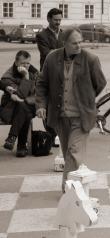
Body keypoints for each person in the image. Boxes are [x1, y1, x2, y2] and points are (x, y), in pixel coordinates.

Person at [36, 28, 107, 191]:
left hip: (82, 116)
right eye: (74, 43)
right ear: (64, 43)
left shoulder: (91, 59)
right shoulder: (52, 58)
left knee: (74, 152)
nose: (78, 46)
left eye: (80, 42)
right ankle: (76, 183)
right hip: (60, 116)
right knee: (71, 153)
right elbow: (42, 83)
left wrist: (87, 97)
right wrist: (40, 105)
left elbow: (100, 83)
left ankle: (67, 190)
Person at [0, 51, 39, 157]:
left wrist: (27, 76)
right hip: (10, 109)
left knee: (24, 106)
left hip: (30, 106)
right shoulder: (8, 76)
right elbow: (21, 94)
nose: (26, 66)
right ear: (16, 62)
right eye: (23, 63)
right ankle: (21, 147)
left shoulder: (34, 73)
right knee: (24, 109)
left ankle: (12, 138)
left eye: (28, 63)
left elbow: (38, 91)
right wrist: (26, 78)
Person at [36, 8, 64, 147]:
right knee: (49, 105)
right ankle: (51, 135)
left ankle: (59, 134)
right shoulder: (42, 35)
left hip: (63, 74)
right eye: (55, 20)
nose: (58, 23)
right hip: (48, 74)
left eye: (60, 20)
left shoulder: (64, 34)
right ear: (48, 19)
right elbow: (47, 54)